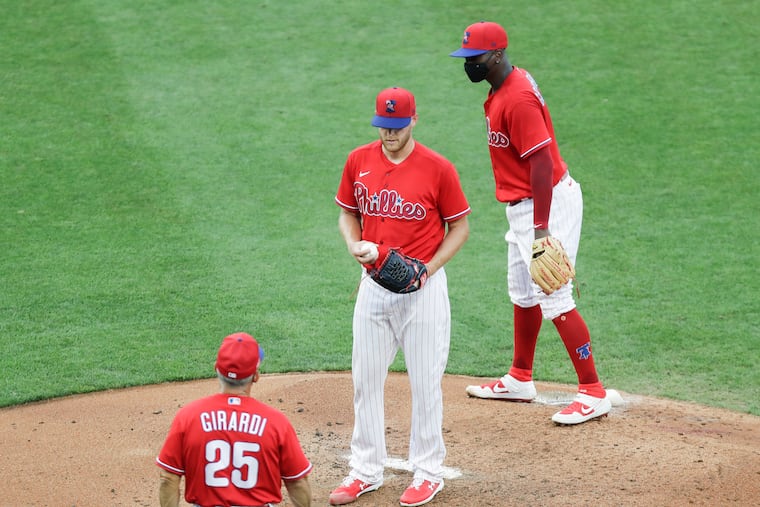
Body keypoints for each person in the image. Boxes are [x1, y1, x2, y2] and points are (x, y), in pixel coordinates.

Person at [449, 21, 612, 425]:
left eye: (477, 58)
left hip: (546, 203)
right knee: (522, 291)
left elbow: (540, 161)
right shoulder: (503, 87)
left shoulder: (517, 97)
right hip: (525, 206)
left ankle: (592, 391)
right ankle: (520, 377)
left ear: (498, 55)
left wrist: (541, 228)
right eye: (467, 58)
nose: (470, 64)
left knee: (554, 294)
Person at [329, 87, 471, 506]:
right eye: (383, 126)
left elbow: (459, 227)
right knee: (365, 381)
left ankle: (428, 471)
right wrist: (353, 246)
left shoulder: (438, 169)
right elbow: (347, 213)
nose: (389, 133)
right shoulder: (358, 160)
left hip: (421, 292)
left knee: (425, 383)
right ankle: (365, 469)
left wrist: (428, 269)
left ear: (413, 121)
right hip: (373, 287)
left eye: (397, 125)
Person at [156, 332, 313, 507]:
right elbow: (297, 482)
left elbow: (167, 478)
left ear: (216, 368)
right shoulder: (276, 423)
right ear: (256, 376)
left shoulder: (188, 417)